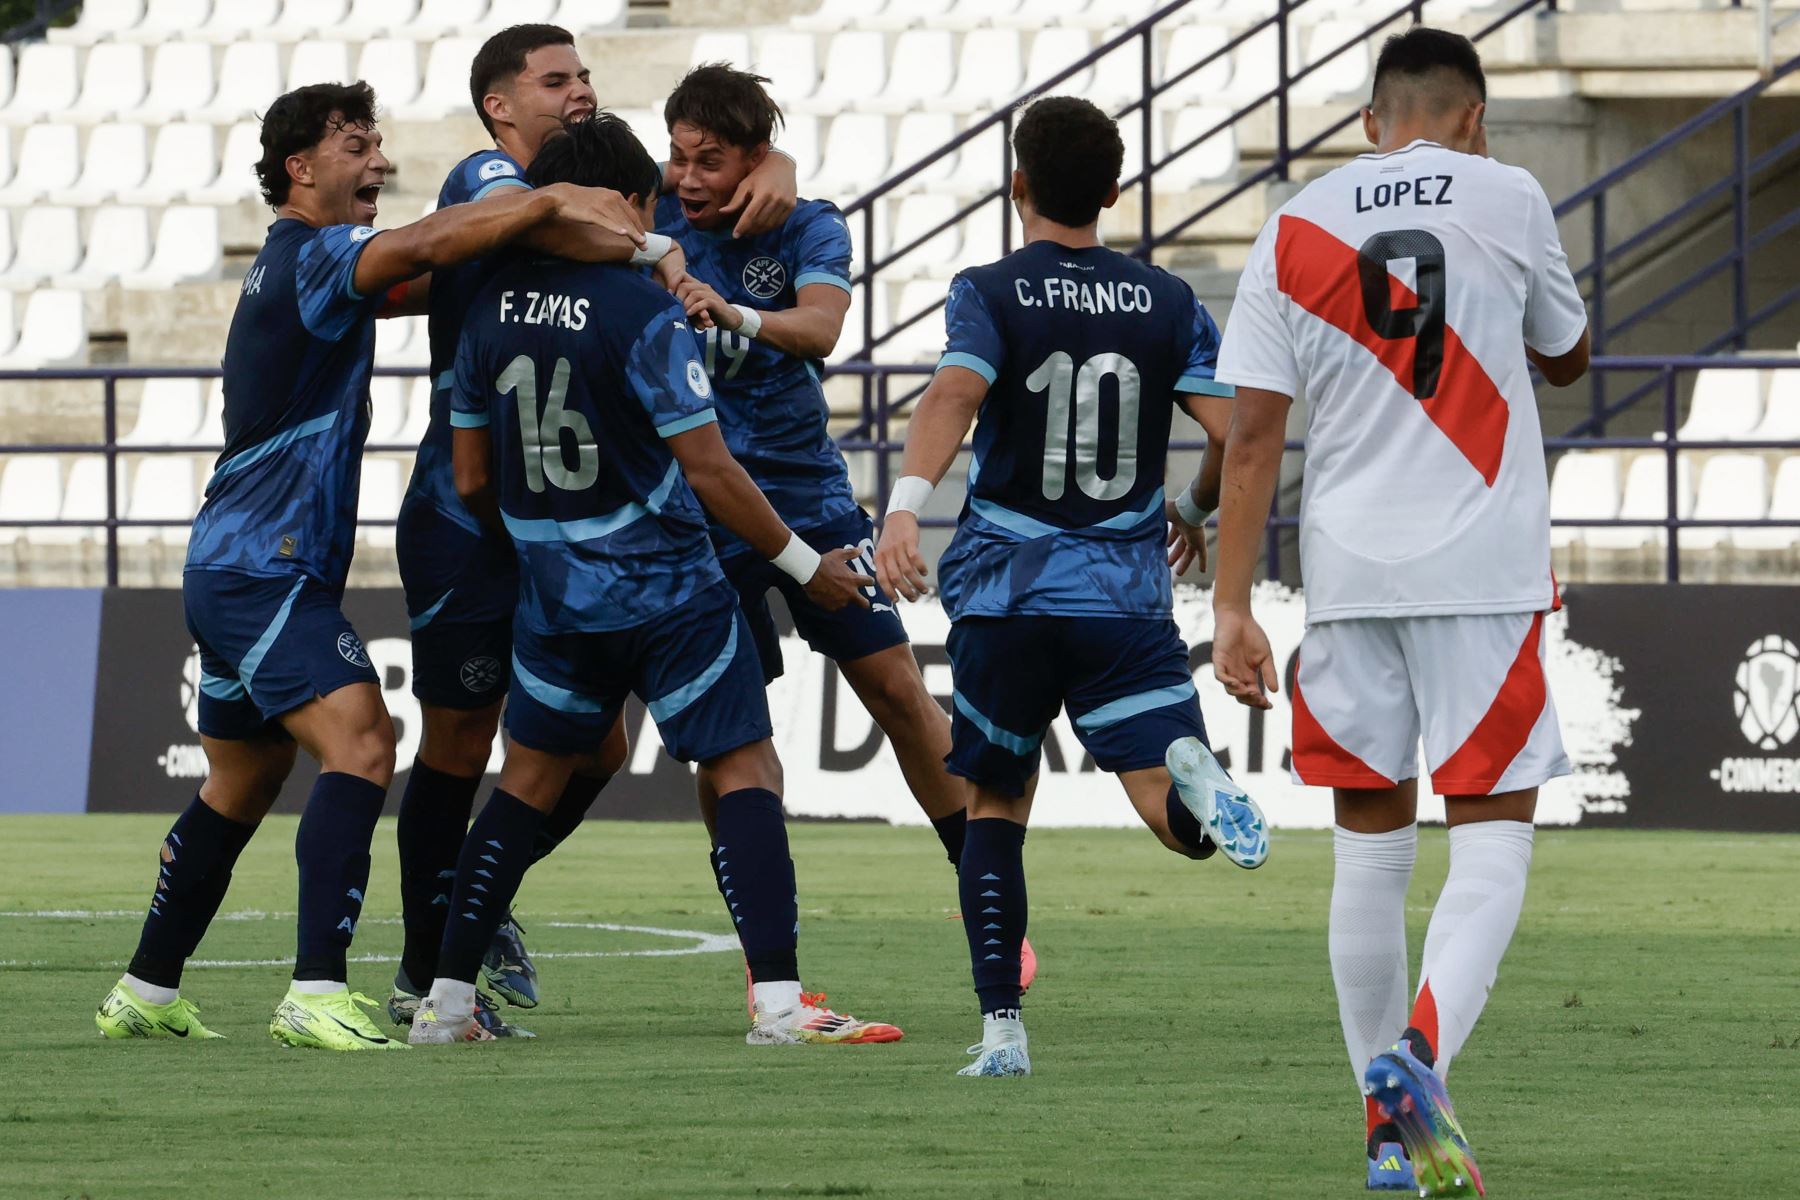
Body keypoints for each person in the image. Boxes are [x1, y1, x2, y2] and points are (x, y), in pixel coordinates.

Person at [93, 82, 655, 1050]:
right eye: (357, 146)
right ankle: (315, 992)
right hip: (263, 567)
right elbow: (433, 245)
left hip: (236, 561)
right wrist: (557, 200)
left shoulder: (303, 268)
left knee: (243, 777)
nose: (380, 162)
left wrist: (532, 249)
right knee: (362, 742)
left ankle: (144, 989)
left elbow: (437, 277)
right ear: (301, 168)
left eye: (380, 143)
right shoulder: (316, 255)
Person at [407, 114, 903, 1048]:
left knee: (523, 785)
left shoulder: (485, 311)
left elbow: (472, 476)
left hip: (555, 593)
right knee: (743, 765)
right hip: (668, 586)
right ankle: (783, 1007)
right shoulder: (644, 314)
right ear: (622, 206)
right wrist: (805, 565)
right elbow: (713, 469)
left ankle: (445, 1003)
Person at [1206, 27, 1589, 1196]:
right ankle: (1419, 1058)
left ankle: (1384, 1124)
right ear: (1473, 117)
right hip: (1482, 566)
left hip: (1350, 573)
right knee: (1494, 842)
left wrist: (1230, 605)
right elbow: (1566, 358)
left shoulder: (1294, 224)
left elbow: (1253, 436)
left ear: (1374, 119)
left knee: (1368, 857)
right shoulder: (1510, 192)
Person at [389, 23, 800, 1029]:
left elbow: (596, 206)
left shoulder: (557, 231)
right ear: (498, 104)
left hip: (530, 525)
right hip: (475, 522)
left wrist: (770, 157)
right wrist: (654, 237)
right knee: (458, 749)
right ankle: (424, 964)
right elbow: (571, 215)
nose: (579, 91)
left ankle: (468, 933)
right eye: (556, 79)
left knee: (584, 756)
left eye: (586, 77)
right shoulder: (497, 180)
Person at [873, 96, 1268, 1080]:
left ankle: (1002, 1028)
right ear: (1115, 193)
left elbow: (956, 395)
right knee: (1174, 829)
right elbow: (1237, 434)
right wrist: (1193, 504)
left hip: (1009, 590)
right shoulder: (1170, 303)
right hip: (1123, 596)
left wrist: (904, 507)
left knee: (996, 804)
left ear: (1019, 185)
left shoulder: (989, 291)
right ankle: (1192, 774)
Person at [653, 62, 1039, 993]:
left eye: (711, 159)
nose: (689, 176)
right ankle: (765, 960)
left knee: (900, 690)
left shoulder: (811, 222)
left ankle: (982, 898)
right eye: (677, 156)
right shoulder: (646, 214)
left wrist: (733, 308)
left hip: (809, 494)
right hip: (703, 507)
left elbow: (822, 330)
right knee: (734, 737)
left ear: (754, 162)